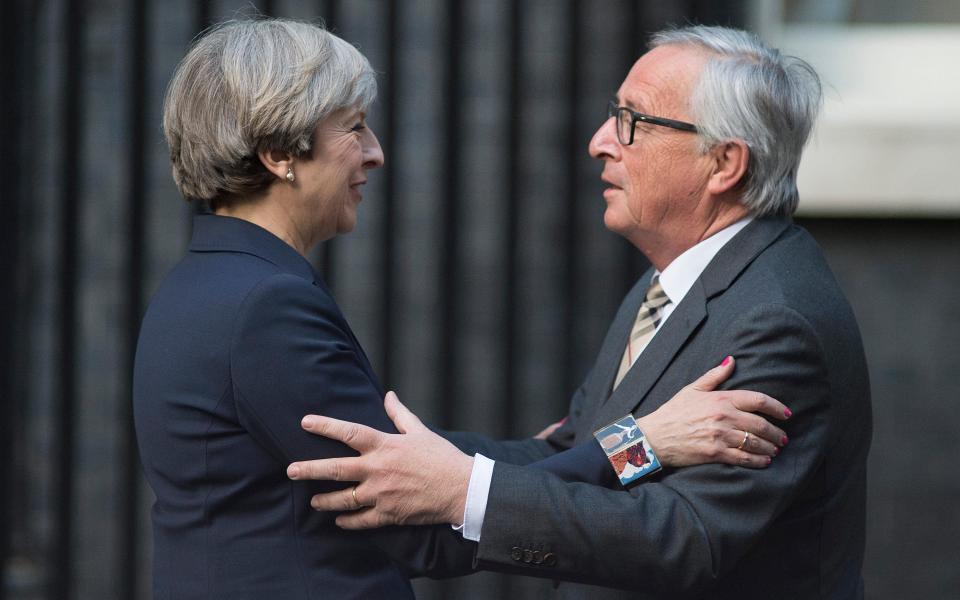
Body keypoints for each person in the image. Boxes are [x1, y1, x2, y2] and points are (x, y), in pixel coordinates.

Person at [134, 18, 789, 599]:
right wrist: (641, 443)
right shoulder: (265, 307)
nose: (375, 152)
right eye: (353, 126)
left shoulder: (203, 286)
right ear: (279, 153)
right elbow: (430, 533)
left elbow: (420, 477)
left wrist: (541, 459)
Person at [288, 25, 872, 599]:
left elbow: (685, 538)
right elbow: (578, 448)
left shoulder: (774, 321)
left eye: (631, 121)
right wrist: (403, 456)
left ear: (723, 164)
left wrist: (465, 490)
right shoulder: (676, 278)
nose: (599, 140)